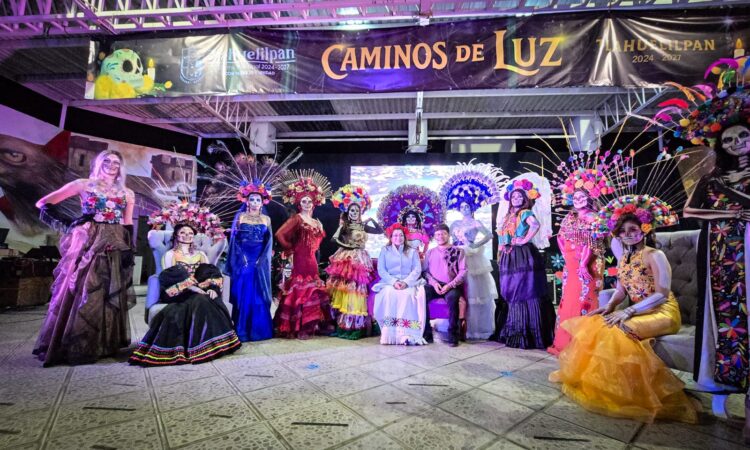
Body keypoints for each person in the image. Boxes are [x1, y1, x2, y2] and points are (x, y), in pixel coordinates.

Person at [550, 197, 697, 424]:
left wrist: (627, 312)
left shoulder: (654, 255)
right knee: (597, 323)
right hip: (640, 311)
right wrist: (608, 307)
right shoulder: (624, 258)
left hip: (663, 312)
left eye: (633, 230)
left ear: (644, 230)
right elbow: (621, 290)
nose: (627, 234)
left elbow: (662, 294)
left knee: (618, 329)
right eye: (622, 231)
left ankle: (635, 393)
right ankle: (608, 387)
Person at [33, 150, 136, 366]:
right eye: (106, 161)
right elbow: (43, 203)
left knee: (108, 291)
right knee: (84, 289)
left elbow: (127, 223)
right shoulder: (83, 184)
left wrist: (129, 249)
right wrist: (69, 222)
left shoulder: (127, 192)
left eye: (116, 162)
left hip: (114, 243)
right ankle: (76, 344)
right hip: (89, 241)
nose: (111, 165)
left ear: (120, 167)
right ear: (98, 163)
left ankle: (102, 344)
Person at [440, 160, 506, 340]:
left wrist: (475, 245)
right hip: (457, 255)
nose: (464, 209)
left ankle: (474, 327)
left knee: (474, 292)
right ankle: (458, 323)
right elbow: (449, 239)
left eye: (467, 207)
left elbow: (489, 235)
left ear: (471, 207)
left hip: (471, 256)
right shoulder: (455, 223)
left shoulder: (476, 222)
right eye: (462, 207)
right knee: (458, 290)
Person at [129, 264, 241, 366]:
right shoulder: (172, 256)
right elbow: (168, 274)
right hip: (179, 287)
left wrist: (213, 288)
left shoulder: (201, 258)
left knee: (202, 301)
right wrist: (188, 285)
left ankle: (205, 345)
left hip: (199, 291)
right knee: (184, 307)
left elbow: (210, 272)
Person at [494, 179, 556, 349]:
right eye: (513, 197)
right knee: (509, 291)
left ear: (525, 199)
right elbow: (502, 238)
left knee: (523, 290)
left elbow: (535, 225)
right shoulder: (507, 216)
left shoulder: (525, 212)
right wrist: (500, 254)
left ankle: (528, 333)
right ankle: (512, 329)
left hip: (522, 255)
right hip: (508, 256)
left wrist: (523, 240)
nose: (516, 199)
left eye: (519, 197)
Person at [274, 170, 334, 339]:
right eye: (304, 201)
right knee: (300, 289)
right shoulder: (297, 218)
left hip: (312, 260)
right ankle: (298, 326)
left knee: (313, 289)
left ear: (314, 203)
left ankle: (311, 325)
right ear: (299, 203)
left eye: (309, 201)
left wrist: (318, 233)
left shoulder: (316, 222)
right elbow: (279, 234)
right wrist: (291, 248)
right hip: (300, 259)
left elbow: (317, 243)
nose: (307, 204)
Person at [548, 188, 606, 355]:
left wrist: (583, 263)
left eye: (582, 196)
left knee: (586, 297)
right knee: (569, 298)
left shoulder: (594, 217)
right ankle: (565, 341)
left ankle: (583, 343)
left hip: (589, 262)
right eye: (575, 197)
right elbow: (560, 237)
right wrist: (566, 256)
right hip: (571, 263)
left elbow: (592, 242)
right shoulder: (570, 216)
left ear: (590, 198)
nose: (578, 199)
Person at [326, 184, 382, 339]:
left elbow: (380, 231)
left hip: (361, 258)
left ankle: (357, 323)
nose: (354, 213)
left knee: (358, 289)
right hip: (347, 258)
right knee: (345, 288)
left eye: (357, 211)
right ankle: (344, 323)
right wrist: (349, 246)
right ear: (348, 212)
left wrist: (371, 220)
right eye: (352, 211)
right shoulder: (345, 225)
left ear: (360, 212)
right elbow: (334, 239)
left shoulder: (363, 225)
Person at [225, 182, 274, 342]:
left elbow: (269, 242)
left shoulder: (266, 219)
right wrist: (242, 257)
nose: (254, 202)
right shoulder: (240, 217)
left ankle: (259, 330)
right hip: (243, 257)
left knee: (259, 290)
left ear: (262, 202)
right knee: (243, 289)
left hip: (259, 257)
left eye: (258, 200)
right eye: (252, 199)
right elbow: (234, 240)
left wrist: (262, 259)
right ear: (247, 201)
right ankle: (242, 329)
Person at [372, 224, 427, 345]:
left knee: (409, 296)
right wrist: (394, 282)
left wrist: (406, 282)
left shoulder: (412, 251)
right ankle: (390, 334)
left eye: (401, 235)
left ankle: (408, 334)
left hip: (409, 282)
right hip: (389, 283)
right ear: (391, 238)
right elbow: (381, 270)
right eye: (395, 235)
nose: (398, 238)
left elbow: (417, 269)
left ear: (405, 237)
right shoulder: (385, 250)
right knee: (389, 294)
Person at [423, 224, 467, 346]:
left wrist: (450, 285)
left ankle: (453, 334)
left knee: (453, 298)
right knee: (422, 294)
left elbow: (463, 271)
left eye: (443, 233)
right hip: (434, 286)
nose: (440, 236)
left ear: (448, 235)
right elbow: (425, 272)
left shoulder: (458, 251)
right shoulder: (430, 252)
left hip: (451, 285)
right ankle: (426, 333)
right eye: (438, 234)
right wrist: (434, 283)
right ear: (434, 237)